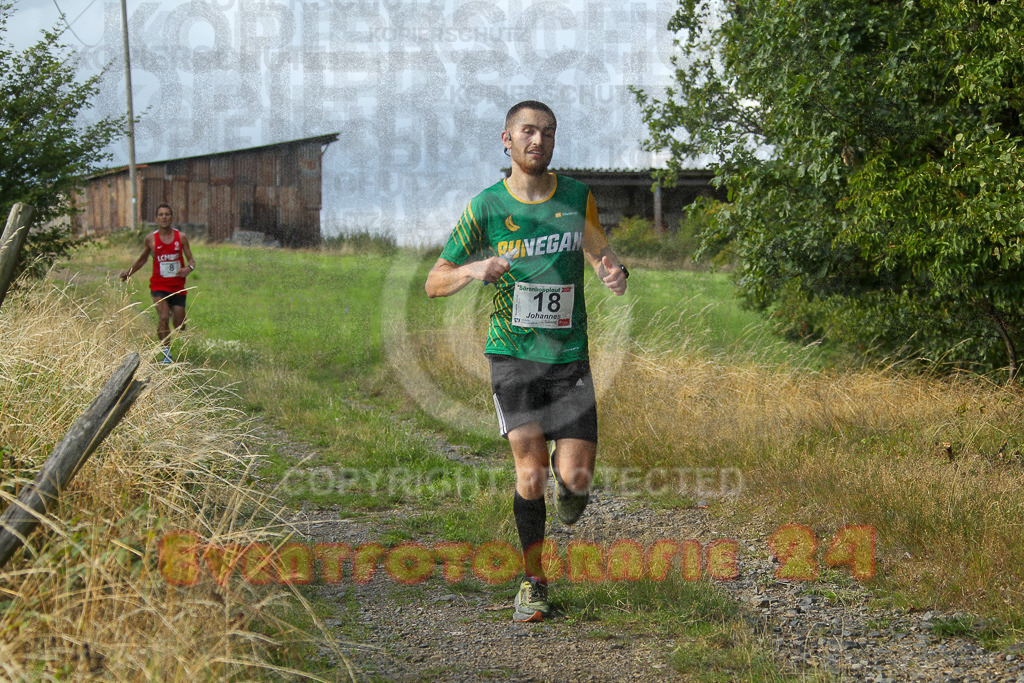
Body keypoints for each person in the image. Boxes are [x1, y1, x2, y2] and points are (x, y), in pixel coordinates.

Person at [425, 101, 628, 622]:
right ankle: (533, 581)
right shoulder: (486, 207)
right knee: (531, 472)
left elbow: (600, 252)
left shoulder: (577, 196)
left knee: (576, 478)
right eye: (528, 132)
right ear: (507, 140)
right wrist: (473, 269)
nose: (538, 140)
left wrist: (614, 272)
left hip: (569, 357)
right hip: (512, 355)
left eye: (548, 133)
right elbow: (434, 282)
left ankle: (572, 491)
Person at [119, 203, 196, 363]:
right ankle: (166, 354)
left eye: (167, 214)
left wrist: (189, 268)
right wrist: (129, 272)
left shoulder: (180, 237)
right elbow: (142, 259)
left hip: (177, 286)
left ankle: (180, 320)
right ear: (156, 218)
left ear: (172, 218)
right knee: (163, 316)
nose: (164, 217)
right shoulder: (150, 239)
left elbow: (191, 259)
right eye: (161, 214)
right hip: (159, 286)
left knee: (180, 326)